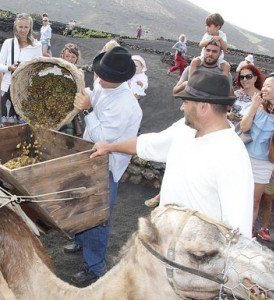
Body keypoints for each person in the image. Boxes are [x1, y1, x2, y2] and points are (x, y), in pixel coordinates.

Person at [92, 70, 254, 240]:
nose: (182, 107)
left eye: (186, 101)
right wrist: (109, 147)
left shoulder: (232, 155)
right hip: (164, 244)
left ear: (203, 106)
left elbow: (238, 231)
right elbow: (147, 143)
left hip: (194, 261)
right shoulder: (185, 129)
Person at [69, 46, 142, 285]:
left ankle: (95, 267)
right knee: (81, 204)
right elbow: (93, 91)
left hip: (107, 165)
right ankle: (80, 241)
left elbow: (103, 142)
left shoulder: (126, 104)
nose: (98, 78)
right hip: (89, 157)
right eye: (99, 73)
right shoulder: (103, 84)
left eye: (104, 75)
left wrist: (87, 108)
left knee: (98, 215)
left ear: (119, 79)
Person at [239, 73, 274, 238]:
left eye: (269, 86)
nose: (264, 88)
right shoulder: (257, 106)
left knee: (255, 201)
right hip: (244, 156)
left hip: (265, 163)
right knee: (237, 194)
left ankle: (246, 234)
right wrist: (253, 106)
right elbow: (244, 127)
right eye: (264, 84)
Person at [0, 13, 42, 126]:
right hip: (7, 88)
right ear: (15, 26)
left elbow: (39, 69)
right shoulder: (8, 43)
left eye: (26, 27)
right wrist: (9, 68)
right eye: (20, 27)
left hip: (26, 90)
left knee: (24, 125)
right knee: (8, 124)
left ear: (30, 28)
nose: (23, 30)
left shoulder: (36, 46)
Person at [190, 13, 230, 78]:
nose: (207, 28)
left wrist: (220, 39)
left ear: (217, 27)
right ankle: (190, 81)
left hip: (218, 59)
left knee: (227, 66)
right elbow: (200, 44)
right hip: (204, 57)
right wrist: (210, 40)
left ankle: (223, 84)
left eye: (209, 26)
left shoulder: (222, 35)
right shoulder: (207, 35)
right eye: (207, 26)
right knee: (194, 62)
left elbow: (225, 48)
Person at [59, 43, 84, 137]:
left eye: (73, 57)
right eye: (67, 56)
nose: (69, 59)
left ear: (77, 59)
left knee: (68, 138)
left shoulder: (79, 73)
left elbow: (80, 93)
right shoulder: (55, 69)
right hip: (55, 110)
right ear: (62, 56)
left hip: (70, 112)